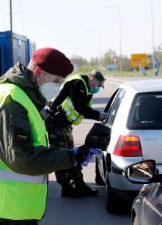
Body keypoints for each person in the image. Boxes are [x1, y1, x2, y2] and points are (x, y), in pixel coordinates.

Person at [0, 47, 96, 224]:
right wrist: (71, 157)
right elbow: (22, 159)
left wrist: (70, 154)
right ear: (38, 72)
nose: (58, 87)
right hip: (8, 212)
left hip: (17, 209)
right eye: (56, 80)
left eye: (61, 82)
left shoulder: (26, 98)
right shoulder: (13, 100)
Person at [45, 69, 107, 198]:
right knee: (60, 155)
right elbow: (80, 107)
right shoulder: (78, 84)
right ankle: (66, 187)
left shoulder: (84, 87)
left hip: (64, 123)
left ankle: (79, 183)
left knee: (72, 154)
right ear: (92, 79)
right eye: (98, 85)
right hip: (55, 123)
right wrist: (98, 115)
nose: (98, 88)